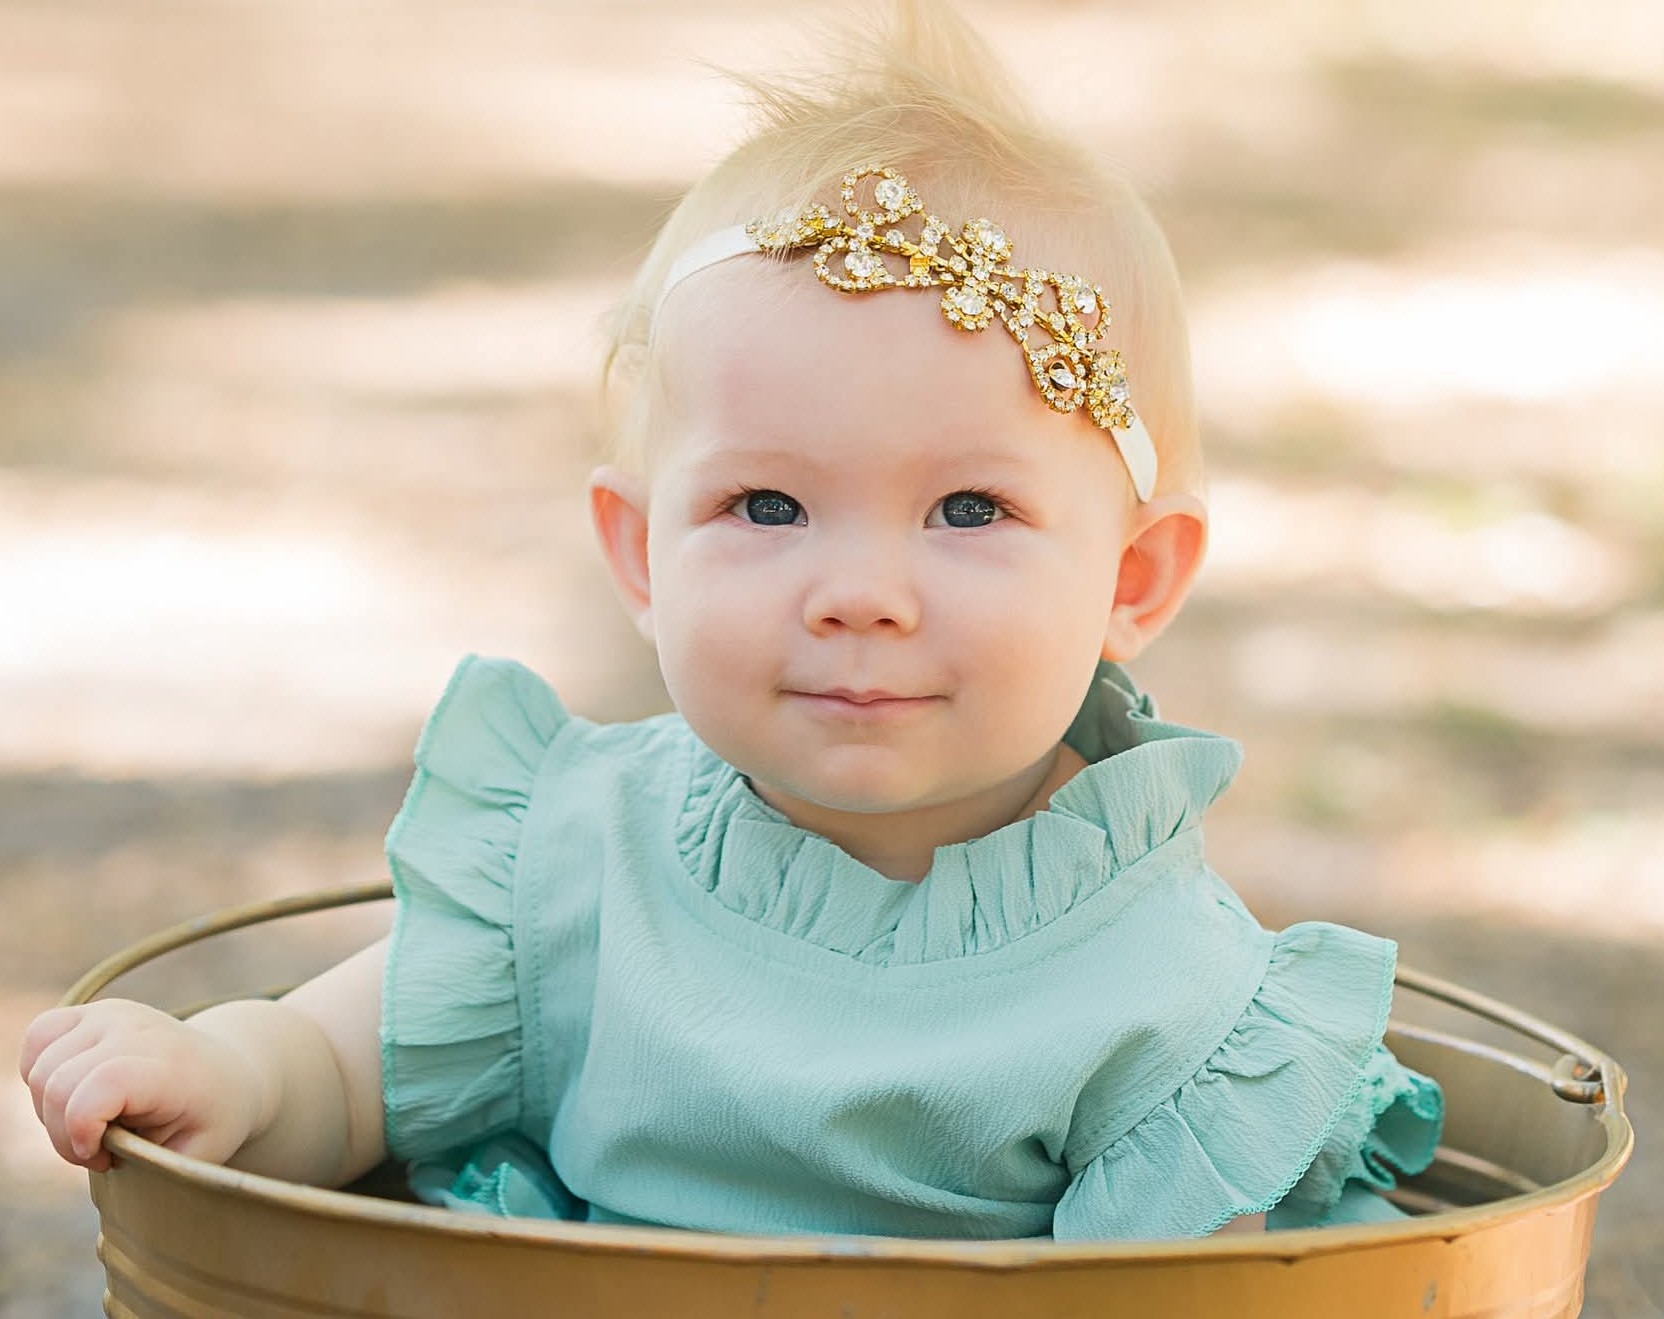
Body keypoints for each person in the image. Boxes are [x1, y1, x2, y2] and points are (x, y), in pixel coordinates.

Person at [20, 1, 1443, 1240]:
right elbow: (342, 1071)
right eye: (768, 505)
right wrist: (227, 1072)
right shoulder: (578, 855)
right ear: (641, 552)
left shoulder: (1167, 989)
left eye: (968, 510)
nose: (860, 592)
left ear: (1132, 579)